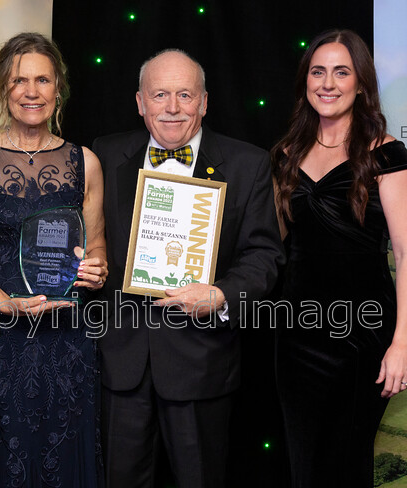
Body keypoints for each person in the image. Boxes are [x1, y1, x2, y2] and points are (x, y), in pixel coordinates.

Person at [92, 49, 285, 487]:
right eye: (160, 95)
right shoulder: (103, 153)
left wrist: (219, 295)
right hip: (120, 361)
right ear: (141, 102)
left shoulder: (247, 163)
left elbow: (264, 255)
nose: (173, 107)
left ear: (204, 102)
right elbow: (74, 228)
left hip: (201, 363)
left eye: (185, 95)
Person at [0, 32, 108, 488]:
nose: (31, 92)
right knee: (2, 453)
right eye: (19, 81)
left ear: (59, 88)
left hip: (68, 339)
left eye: (43, 80)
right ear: (3, 89)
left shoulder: (85, 161)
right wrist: (6, 304)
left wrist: (97, 267)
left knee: (64, 454)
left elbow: (96, 246)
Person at [270, 29, 407, 487]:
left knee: (346, 465)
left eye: (342, 72)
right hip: (295, 336)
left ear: (361, 84)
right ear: (305, 81)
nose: (328, 83)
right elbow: (274, 245)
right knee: (304, 467)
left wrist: (402, 344)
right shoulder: (285, 154)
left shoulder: (387, 154)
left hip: (363, 336)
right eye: (318, 71)